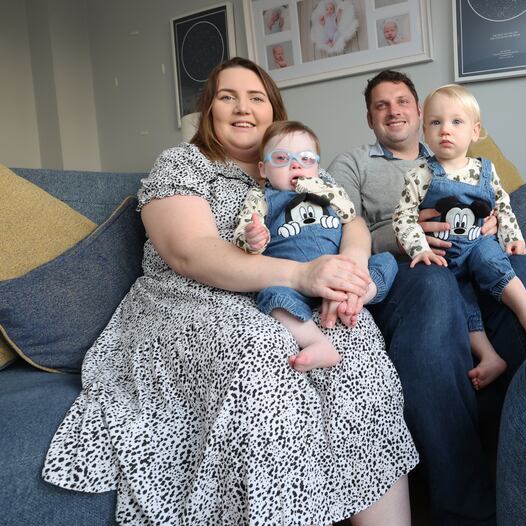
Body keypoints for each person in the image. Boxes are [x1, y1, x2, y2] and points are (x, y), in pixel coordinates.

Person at [41, 57, 417, 525]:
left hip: (276, 300)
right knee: (264, 350)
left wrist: (351, 268)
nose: (243, 108)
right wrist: (300, 276)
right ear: (208, 110)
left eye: (256, 97)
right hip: (187, 301)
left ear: (272, 109)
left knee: (357, 344)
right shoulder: (182, 164)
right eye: (227, 97)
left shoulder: (292, 164)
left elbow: (352, 222)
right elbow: (189, 253)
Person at [327, 69, 526, 525]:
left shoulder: (468, 159)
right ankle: (463, 505)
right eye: (380, 105)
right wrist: (406, 237)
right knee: (435, 285)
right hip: (411, 268)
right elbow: (338, 234)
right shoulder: (353, 164)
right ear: (370, 119)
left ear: (419, 111)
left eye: (402, 102)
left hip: (472, 256)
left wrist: (492, 227)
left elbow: (500, 204)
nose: (393, 110)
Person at [393, 84, 526, 390]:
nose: (445, 130)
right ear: (424, 132)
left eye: (456, 122)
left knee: (492, 261)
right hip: (446, 255)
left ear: (475, 131)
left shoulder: (484, 169)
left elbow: (503, 205)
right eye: (435, 122)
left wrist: (511, 237)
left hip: (479, 244)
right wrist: (418, 249)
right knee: (459, 300)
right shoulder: (420, 175)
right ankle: (488, 356)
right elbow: (403, 217)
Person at [233, 120, 397, 372]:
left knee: (386, 261)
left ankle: (355, 297)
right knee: (271, 296)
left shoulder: (327, 189)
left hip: (339, 274)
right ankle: (316, 342)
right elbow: (244, 234)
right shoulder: (261, 197)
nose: (295, 165)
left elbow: (349, 214)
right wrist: (253, 237)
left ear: (317, 167)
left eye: (306, 158)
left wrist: (317, 187)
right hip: (291, 280)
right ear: (263, 169)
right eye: (281, 158)